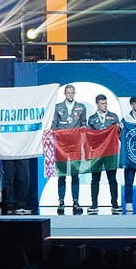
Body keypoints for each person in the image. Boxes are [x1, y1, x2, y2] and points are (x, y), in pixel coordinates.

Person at [49, 84, 87, 214]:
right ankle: (61, 202)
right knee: (62, 175)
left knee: (75, 174)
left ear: (74, 93)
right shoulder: (58, 107)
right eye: (68, 93)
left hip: (75, 145)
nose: (70, 95)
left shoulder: (81, 107)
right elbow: (54, 125)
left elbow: (83, 125)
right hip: (61, 146)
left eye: (72, 92)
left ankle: (76, 201)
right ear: (65, 94)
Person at [85, 93, 120, 213]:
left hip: (110, 153)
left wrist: (119, 128)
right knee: (95, 180)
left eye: (106, 103)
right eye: (102, 104)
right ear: (97, 104)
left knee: (112, 179)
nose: (105, 106)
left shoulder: (113, 117)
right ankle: (94, 204)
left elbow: (118, 135)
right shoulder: (92, 119)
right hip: (97, 153)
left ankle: (115, 204)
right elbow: (89, 137)